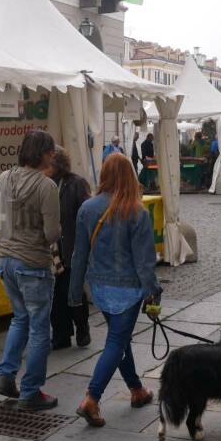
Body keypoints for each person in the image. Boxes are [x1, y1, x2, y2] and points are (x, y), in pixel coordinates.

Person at [69, 152, 160, 427]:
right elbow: (144, 261)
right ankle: (91, 399)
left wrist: (75, 294)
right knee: (116, 341)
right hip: (128, 290)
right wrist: (153, 292)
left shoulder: (87, 208)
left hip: (99, 288)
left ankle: (136, 390)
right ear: (130, 175)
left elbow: (79, 255)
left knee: (119, 339)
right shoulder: (136, 211)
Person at [0, 130, 61, 411]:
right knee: (40, 329)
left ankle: (5, 376)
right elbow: (52, 233)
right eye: (51, 151)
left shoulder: (2, 178)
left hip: (6, 259)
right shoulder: (47, 187)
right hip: (32, 263)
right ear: (43, 153)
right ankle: (31, 391)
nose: (53, 156)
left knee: (20, 319)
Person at [47, 147, 91, 350]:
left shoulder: (77, 183)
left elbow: (87, 214)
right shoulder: (47, 184)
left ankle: (81, 328)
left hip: (72, 247)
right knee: (57, 297)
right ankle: (61, 335)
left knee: (72, 293)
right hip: (52, 250)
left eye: (50, 163)